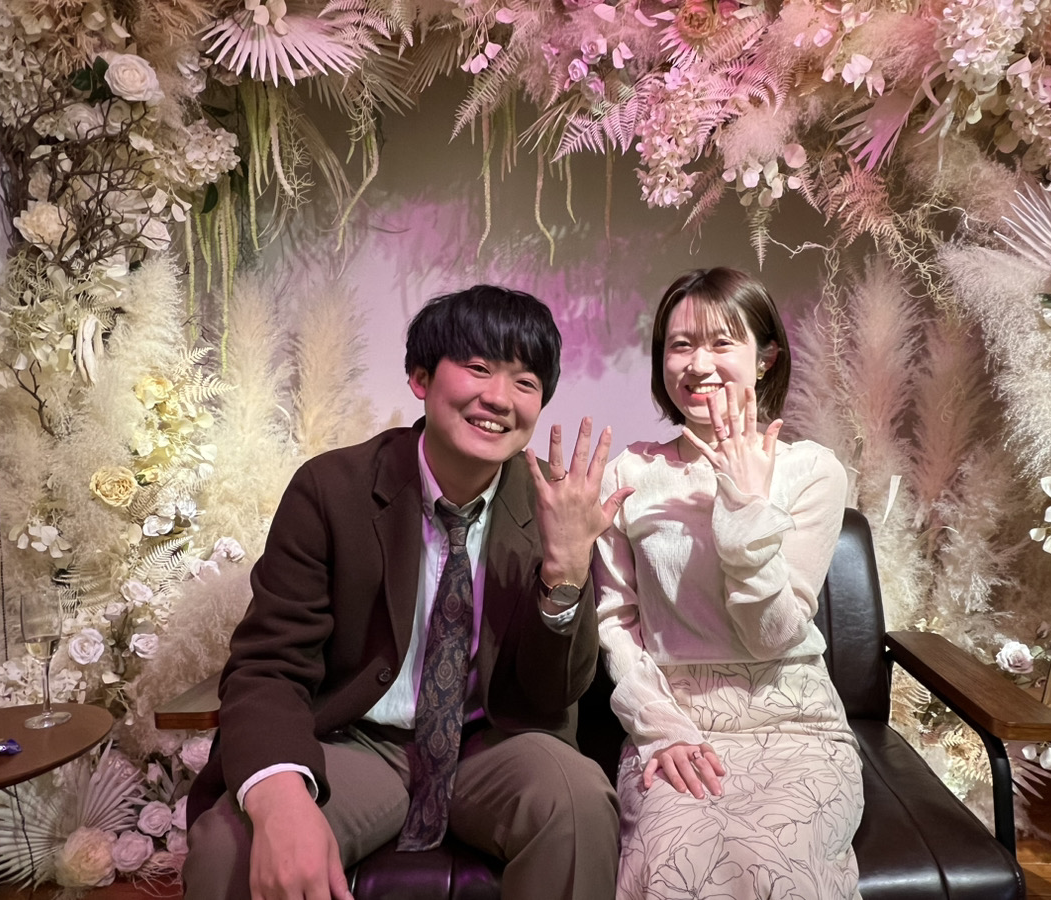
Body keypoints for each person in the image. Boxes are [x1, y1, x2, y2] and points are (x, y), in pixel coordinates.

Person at [183, 285, 629, 900]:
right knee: (229, 847)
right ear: (421, 378)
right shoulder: (330, 490)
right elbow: (268, 666)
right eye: (478, 368)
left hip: (491, 746)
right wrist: (281, 798)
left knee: (577, 804)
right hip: (358, 743)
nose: (499, 398)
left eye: (525, 382)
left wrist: (565, 570)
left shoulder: (555, 508)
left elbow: (553, 694)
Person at [593, 268, 863, 899]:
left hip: (795, 723)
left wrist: (744, 505)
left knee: (777, 860)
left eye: (721, 343)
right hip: (674, 725)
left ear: (765, 359)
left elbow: (772, 635)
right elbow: (615, 623)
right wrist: (659, 726)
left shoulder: (812, 471)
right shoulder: (630, 472)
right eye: (680, 345)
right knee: (676, 865)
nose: (697, 364)